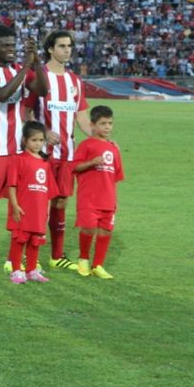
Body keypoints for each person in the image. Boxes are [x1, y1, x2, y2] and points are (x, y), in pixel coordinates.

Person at [0, 26, 47, 279]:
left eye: (13, 45)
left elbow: (43, 90)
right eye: (5, 45)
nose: (11, 49)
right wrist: (26, 66)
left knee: (22, 205)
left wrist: (37, 63)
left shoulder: (19, 70)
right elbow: (2, 95)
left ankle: (14, 260)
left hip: (17, 152)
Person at [32, 30, 92, 272]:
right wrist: (44, 132)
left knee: (60, 203)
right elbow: (26, 113)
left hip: (67, 155)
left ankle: (56, 255)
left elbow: (83, 119)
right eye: (62, 46)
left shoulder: (75, 82)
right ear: (50, 49)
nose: (67, 50)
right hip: (41, 154)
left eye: (69, 46)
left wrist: (104, 140)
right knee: (37, 203)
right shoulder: (39, 77)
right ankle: (30, 254)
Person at [72, 106, 123, 279]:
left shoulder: (114, 148)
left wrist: (114, 199)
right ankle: (83, 259)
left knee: (106, 230)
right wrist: (91, 163)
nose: (107, 127)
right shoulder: (86, 145)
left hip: (107, 198)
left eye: (110, 123)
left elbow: (115, 176)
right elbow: (75, 167)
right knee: (88, 228)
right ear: (93, 125)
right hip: (89, 198)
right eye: (103, 123)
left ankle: (98, 265)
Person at [7, 121, 56, 284]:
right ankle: (16, 271)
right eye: (34, 140)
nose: (38, 144)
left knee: (35, 241)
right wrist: (15, 205)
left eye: (41, 140)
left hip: (39, 211)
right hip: (22, 209)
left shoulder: (45, 163)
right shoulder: (18, 159)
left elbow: (48, 191)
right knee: (19, 239)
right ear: (24, 140)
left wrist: (47, 212)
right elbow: (12, 185)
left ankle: (31, 270)